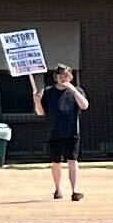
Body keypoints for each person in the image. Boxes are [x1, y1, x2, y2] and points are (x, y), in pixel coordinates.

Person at [36, 60, 88, 199]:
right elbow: (41, 112)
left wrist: (73, 90)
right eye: (60, 75)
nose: (62, 77)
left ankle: (75, 191)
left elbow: (84, 105)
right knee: (56, 163)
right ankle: (58, 189)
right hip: (54, 132)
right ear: (56, 77)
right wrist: (36, 100)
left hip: (72, 132)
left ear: (71, 76)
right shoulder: (48, 92)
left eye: (65, 75)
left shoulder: (77, 91)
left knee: (73, 161)